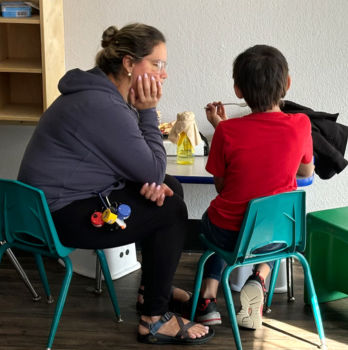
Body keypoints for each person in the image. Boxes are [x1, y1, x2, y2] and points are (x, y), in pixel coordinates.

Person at [17, 23, 213, 345]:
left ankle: (151, 291)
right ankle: (153, 319)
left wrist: (149, 181)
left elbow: (119, 164)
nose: (163, 74)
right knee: (173, 211)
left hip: (50, 205)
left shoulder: (96, 94)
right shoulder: (103, 106)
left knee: (170, 188)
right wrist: (148, 112)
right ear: (128, 63)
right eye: (156, 64)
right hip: (57, 217)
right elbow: (150, 167)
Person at [195, 45, 314, 330]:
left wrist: (220, 127)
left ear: (238, 90)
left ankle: (207, 300)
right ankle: (259, 277)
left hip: (227, 235)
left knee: (219, 231)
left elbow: (222, 189)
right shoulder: (301, 124)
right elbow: (306, 171)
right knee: (268, 228)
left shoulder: (226, 131)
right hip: (278, 236)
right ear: (287, 84)